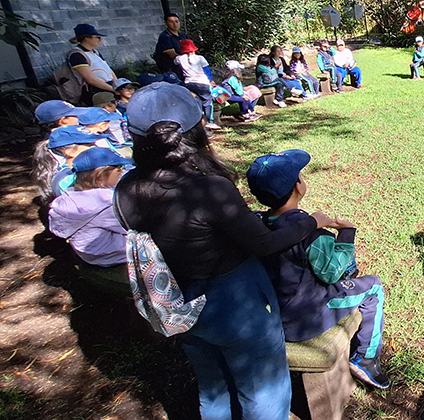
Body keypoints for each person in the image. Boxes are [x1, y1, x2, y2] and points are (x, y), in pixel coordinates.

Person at [114, 82, 332, 419]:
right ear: (197, 130)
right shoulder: (209, 189)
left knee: (212, 386)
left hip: (178, 299)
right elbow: (264, 243)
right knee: (262, 391)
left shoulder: (126, 188)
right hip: (236, 303)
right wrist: (310, 222)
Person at [247, 150, 390, 390]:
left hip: (270, 314)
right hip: (305, 318)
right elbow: (331, 272)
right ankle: (366, 358)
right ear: (298, 187)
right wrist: (346, 234)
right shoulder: (311, 234)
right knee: (373, 287)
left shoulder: (255, 224)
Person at [48, 147, 131, 268]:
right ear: (100, 177)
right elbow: (131, 226)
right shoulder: (105, 203)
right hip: (111, 254)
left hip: (89, 253)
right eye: (119, 168)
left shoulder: (70, 197)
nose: (122, 172)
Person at [46, 126, 107, 199]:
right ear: (69, 152)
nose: (95, 147)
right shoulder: (69, 179)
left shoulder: (64, 172)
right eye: (89, 145)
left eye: (94, 143)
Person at [174, 39, 220, 130]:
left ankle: (197, 120)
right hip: (202, 82)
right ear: (194, 49)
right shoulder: (200, 58)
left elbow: (175, 63)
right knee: (207, 102)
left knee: (195, 101)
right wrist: (210, 81)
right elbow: (207, 71)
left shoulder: (179, 58)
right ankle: (209, 121)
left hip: (189, 83)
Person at [67, 23, 118, 104]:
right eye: (97, 37)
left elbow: (108, 70)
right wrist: (114, 89)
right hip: (96, 92)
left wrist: (118, 85)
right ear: (86, 38)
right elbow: (91, 80)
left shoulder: (95, 53)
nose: (100, 40)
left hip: (109, 88)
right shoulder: (77, 55)